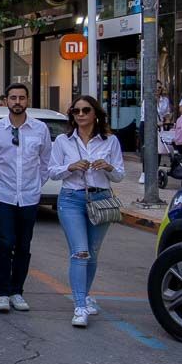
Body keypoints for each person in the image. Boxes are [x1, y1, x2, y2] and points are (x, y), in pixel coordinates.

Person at [51, 94, 125, 328]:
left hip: (100, 198)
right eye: (76, 111)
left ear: (95, 113)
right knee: (80, 252)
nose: (80, 115)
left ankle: (85, 293)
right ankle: (80, 305)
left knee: (92, 251)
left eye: (85, 110)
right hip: (71, 199)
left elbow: (120, 175)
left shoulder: (110, 141)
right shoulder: (63, 141)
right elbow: (52, 171)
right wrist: (70, 167)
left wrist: (108, 167)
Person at [0, 83, 52, 313]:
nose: (17, 102)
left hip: (28, 197)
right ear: (6, 101)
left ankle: (17, 291)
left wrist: (35, 184)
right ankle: (2, 293)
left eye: (21, 98)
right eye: (13, 97)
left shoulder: (40, 129)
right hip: (1, 195)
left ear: (28, 100)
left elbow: (45, 162)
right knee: (5, 243)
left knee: (24, 245)